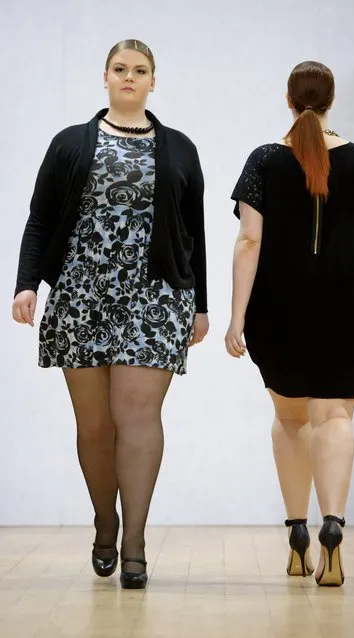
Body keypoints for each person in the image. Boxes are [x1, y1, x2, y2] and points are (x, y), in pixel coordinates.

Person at [12, 39, 209, 589]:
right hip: (80, 294)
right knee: (95, 425)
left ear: (153, 81)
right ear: (104, 77)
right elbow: (40, 220)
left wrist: (200, 303)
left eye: (140, 70)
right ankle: (105, 521)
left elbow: (193, 231)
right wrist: (27, 285)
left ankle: (136, 544)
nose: (129, 77)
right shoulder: (72, 143)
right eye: (120, 69)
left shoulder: (180, 149)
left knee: (140, 419)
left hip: (156, 298)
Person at [225, 61, 354, 586]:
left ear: (288, 100)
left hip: (280, 309)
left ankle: (296, 533)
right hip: (351, 306)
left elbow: (249, 241)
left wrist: (237, 317)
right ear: (331, 101)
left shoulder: (263, 160)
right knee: (335, 420)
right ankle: (333, 528)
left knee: (291, 420)